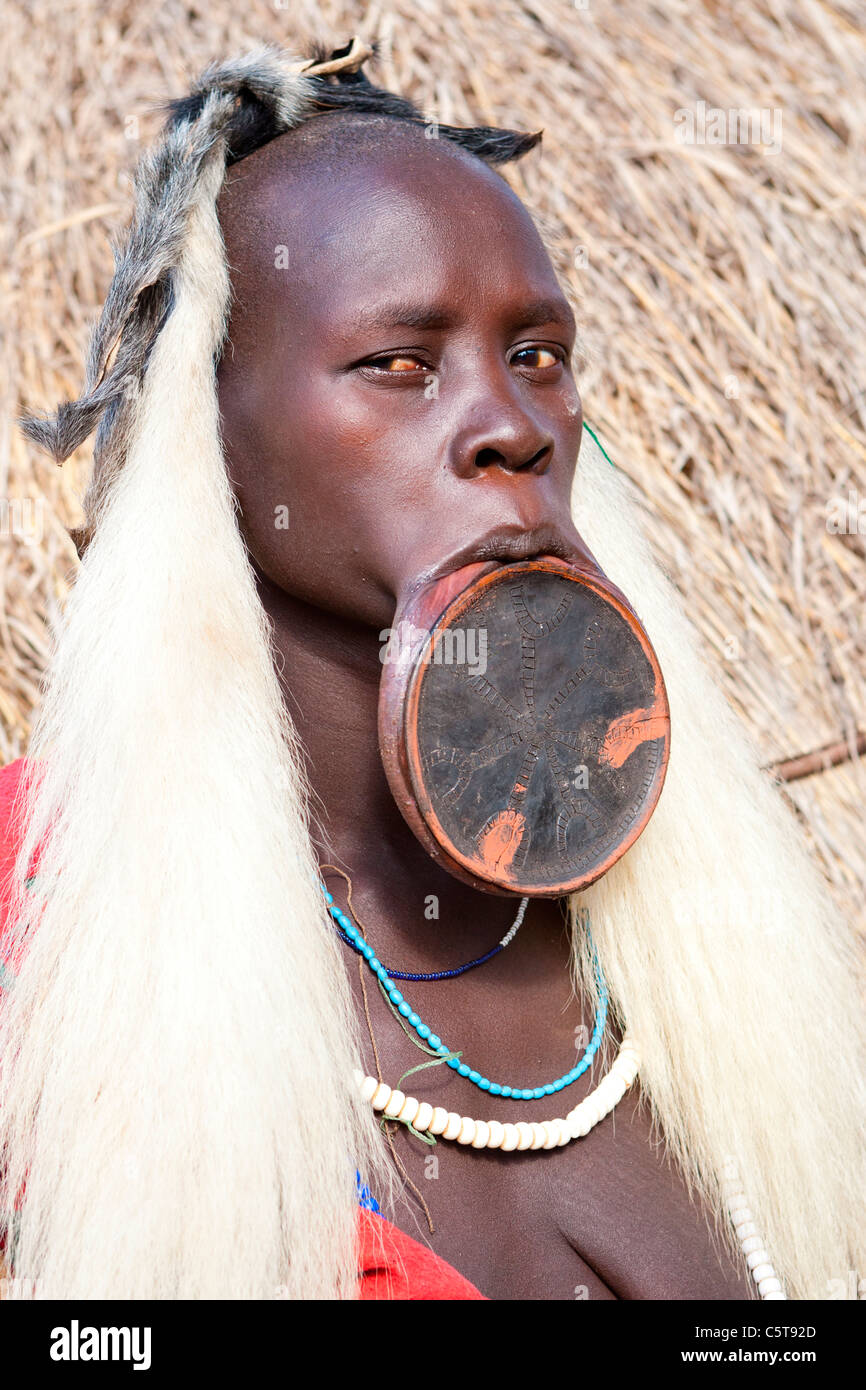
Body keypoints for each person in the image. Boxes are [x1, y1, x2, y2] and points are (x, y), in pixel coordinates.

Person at [0, 37, 864, 1301]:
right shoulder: (39, 930)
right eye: (400, 364)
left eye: (538, 357)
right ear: (209, 430)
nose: (513, 423)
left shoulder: (707, 957)